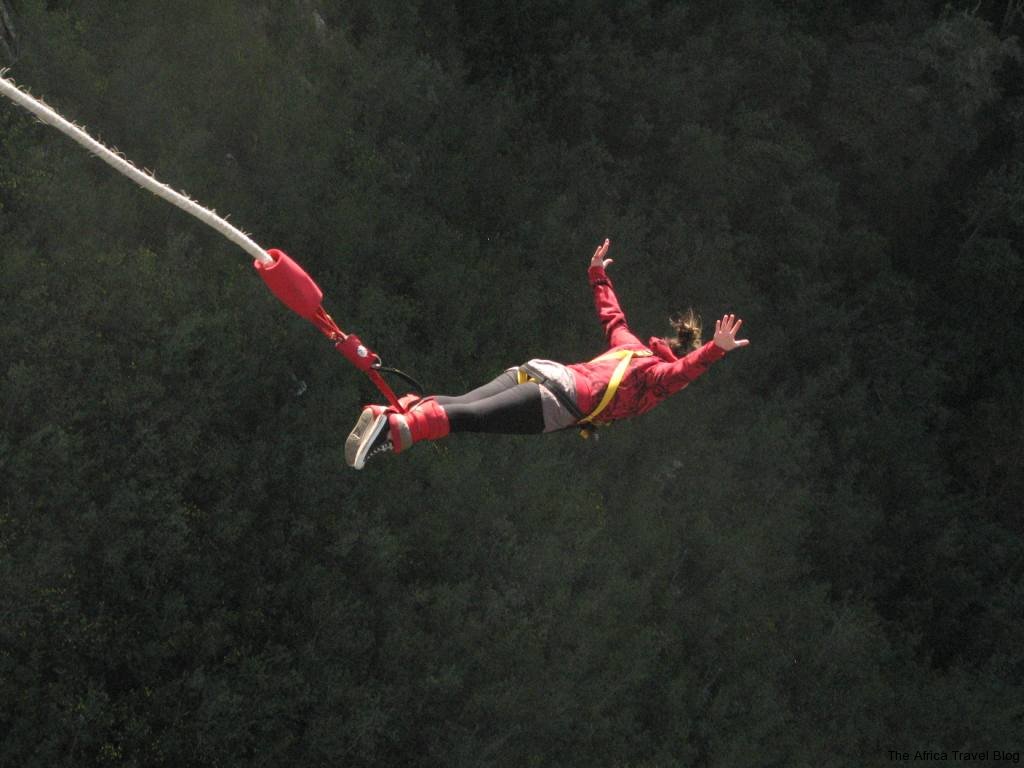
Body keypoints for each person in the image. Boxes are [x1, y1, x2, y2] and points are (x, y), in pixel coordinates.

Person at [345, 238, 749, 469]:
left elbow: (613, 316)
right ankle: (400, 430)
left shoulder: (632, 348)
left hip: (537, 372)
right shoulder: (654, 381)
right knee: (466, 419)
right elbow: (683, 374)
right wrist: (715, 351)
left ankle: (398, 412)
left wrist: (597, 274)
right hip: (558, 402)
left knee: (461, 405)